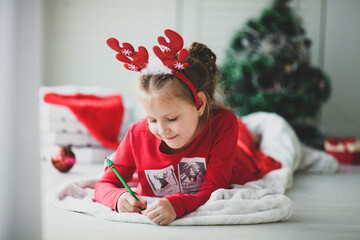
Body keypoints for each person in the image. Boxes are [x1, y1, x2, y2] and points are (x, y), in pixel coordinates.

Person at [95, 29, 281, 225]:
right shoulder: (137, 134)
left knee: (246, 140)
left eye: (172, 118)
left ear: (199, 104)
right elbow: (105, 184)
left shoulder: (223, 124)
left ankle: (249, 130)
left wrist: (178, 204)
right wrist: (118, 198)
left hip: (238, 158)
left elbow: (212, 189)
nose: (162, 130)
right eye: (152, 119)